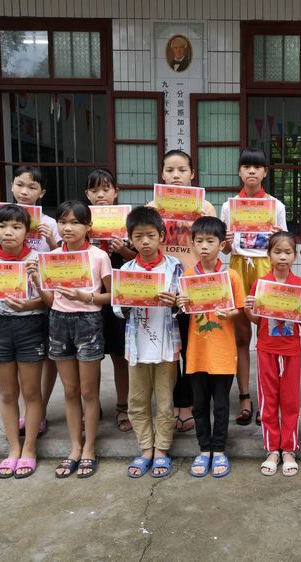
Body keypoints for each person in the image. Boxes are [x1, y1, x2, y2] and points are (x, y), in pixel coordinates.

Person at [27, 201, 112, 479]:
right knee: (70, 390)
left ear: (88, 226)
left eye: (75, 222)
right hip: (59, 322)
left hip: (88, 322)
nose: (68, 228)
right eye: (63, 222)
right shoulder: (52, 257)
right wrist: (37, 280)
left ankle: (89, 448)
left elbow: (112, 295)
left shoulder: (99, 256)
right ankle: (75, 447)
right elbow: (51, 301)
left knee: (88, 391)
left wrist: (86, 297)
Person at [0, 165, 58, 437]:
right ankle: (29, 415)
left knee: (45, 359)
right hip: (8, 311)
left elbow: (61, 259)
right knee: (15, 380)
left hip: (40, 299)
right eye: (20, 185)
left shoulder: (50, 223)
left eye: (32, 187)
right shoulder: (0, 218)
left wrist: (52, 241)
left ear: (42, 192)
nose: (25, 191)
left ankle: (39, 411)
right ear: (11, 186)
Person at [114, 207, 184, 479]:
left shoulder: (174, 267)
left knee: (166, 403)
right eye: (139, 236)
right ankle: (146, 449)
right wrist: (128, 302)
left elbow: (185, 304)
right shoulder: (126, 269)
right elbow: (117, 309)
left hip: (166, 347)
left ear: (162, 236)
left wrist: (175, 303)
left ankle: (162, 450)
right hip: (137, 347)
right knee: (137, 401)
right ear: (130, 239)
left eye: (151, 236)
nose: (145, 242)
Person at [0, 204, 46, 479]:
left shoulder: (39, 260)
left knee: (31, 392)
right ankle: (13, 449)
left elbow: (50, 299)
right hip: (0, 327)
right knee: (7, 393)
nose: (9, 232)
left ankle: (30, 448)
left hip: (32, 326)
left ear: (27, 232)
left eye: (16, 227)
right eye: (2, 226)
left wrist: (30, 303)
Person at [220, 147, 287, 427]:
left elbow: (284, 247)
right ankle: (245, 398)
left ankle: (269, 400)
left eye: (257, 167)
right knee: (241, 338)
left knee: (268, 338)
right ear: (239, 171)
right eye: (246, 166)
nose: (251, 171)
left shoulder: (276, 206)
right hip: (237, 268)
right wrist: (225, 242)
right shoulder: (229, 206)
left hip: (265, 269)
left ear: (265, 172)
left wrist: (278, 237)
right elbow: (225, 249)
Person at [244, 232, 301, 477]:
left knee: (290, 400)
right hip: (266, 348)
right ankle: (272, 449)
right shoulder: (260, 284)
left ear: (295, 256)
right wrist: (248, 309)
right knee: (268, 400)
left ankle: (289, 449)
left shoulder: (300, 285)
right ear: (269, 255)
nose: (282, 257)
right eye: (277, 252)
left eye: (288, 252)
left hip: (291, 350)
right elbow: (257, 320)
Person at [154, 149, 217, 434]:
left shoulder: (205, 207)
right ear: (162, 174)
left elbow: (214, 247)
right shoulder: (153, 207)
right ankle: (172, 403)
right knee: (169, 351)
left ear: (192, 174)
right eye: (170, 170)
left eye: (182, 170)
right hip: (163, 291)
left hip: (195, 289)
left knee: (193, 349)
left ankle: (190, 404)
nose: (176, 176)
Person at [177, 217, 245, 478]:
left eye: (210, 241)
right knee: (199, 404)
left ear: (221, 244)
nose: (204, 246)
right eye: (199, 241)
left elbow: (239, 308)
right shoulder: (188, 276)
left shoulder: (231, 275)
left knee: (221, 406)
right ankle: (204, 449)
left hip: (223, 352)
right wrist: (181, 303)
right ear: (192, 244)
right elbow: (184, 309)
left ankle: (219, 450)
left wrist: (231, 313)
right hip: (196, 353)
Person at [85, 168, 136, 433]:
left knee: (119, 355)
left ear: (116, 192)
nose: (100, 195)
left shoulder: (128, 222)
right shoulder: (81, 221)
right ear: (87, 194)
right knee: (90, 357)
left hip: (118, 297)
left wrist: (124, 250)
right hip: (87, 299)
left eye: (106, 189)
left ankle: (122, 407)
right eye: (94, 190)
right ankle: (91, 406)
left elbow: (142, 260)